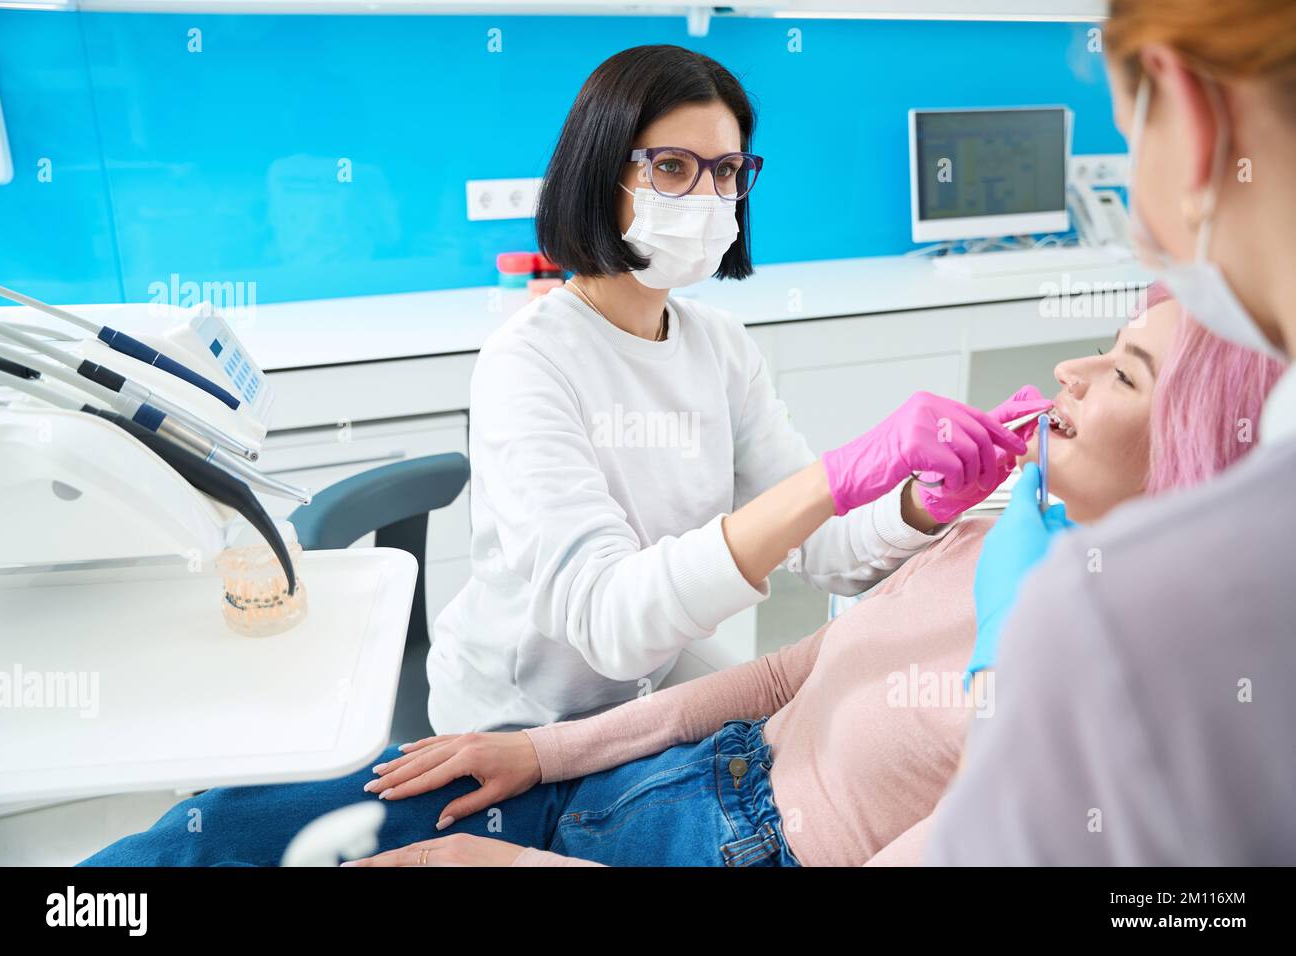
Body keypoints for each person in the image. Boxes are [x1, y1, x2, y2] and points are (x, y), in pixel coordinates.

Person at [82, 290, 1280, 866]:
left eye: (1119, 372)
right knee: (225, 824)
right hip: (649, 758)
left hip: (722, 843)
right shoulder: (1011, 532)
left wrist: (886, 500)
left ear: (1190, 454)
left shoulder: (1090, 688)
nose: (1066, 371)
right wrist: (540, 753)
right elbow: (770, 665)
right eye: (675, 168)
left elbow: (807, 557)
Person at [426, 44, 1037, 734]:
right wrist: (832, 479)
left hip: (642, 678)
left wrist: (920, 504)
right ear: (601, 174)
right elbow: (608, 620)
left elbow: (828, 551)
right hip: (520, 713)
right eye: (673, 168)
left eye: (727, 172)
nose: (709, 198)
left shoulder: (718, 346)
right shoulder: (529, 362)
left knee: (804, 729)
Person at [927, 0, 1296, 865]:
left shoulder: (1122, 616)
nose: (1069, 376)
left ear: (1190, 116)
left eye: (1130, 138)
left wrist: (1014, 674)